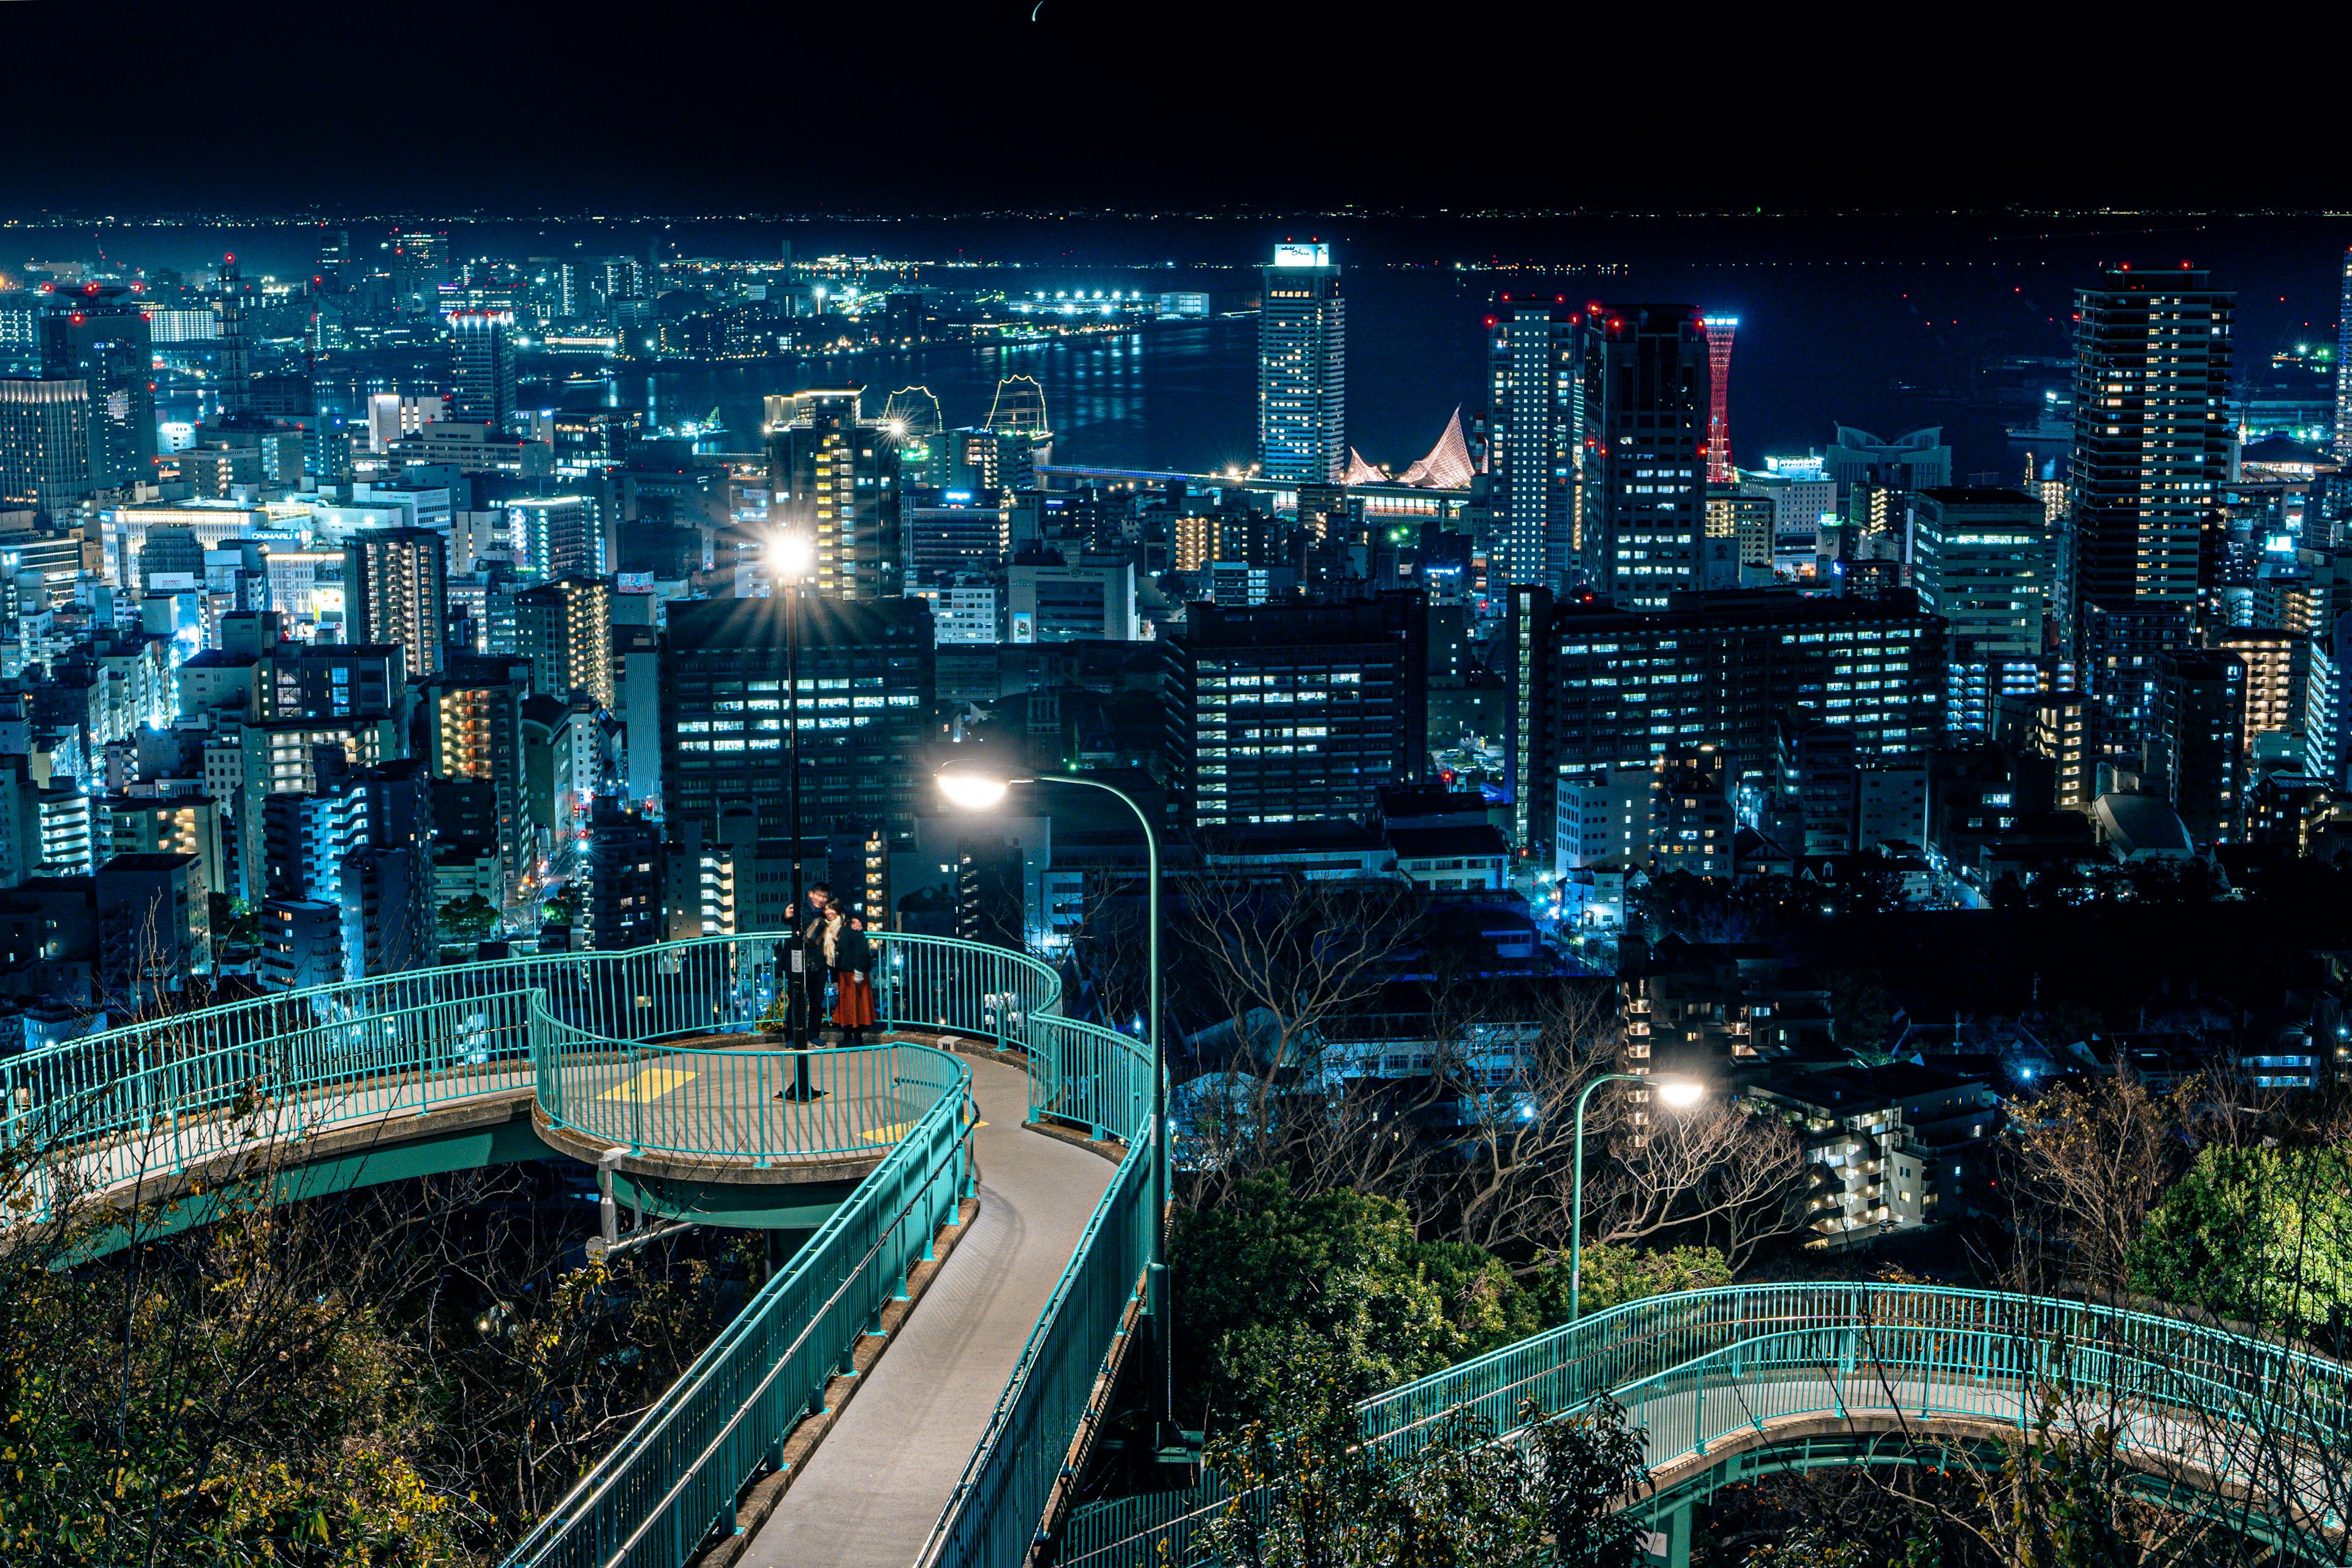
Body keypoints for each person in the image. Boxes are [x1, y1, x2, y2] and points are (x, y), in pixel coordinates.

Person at [831, 912, 877, 1047]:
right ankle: (852, 1037)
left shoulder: (850, 928)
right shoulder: (835, 929)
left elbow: (862, 951)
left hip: (854, 973)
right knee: (850, 1005)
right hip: (846, 973)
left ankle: (855, 1038)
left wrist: (859, 970)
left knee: (855, 1004)